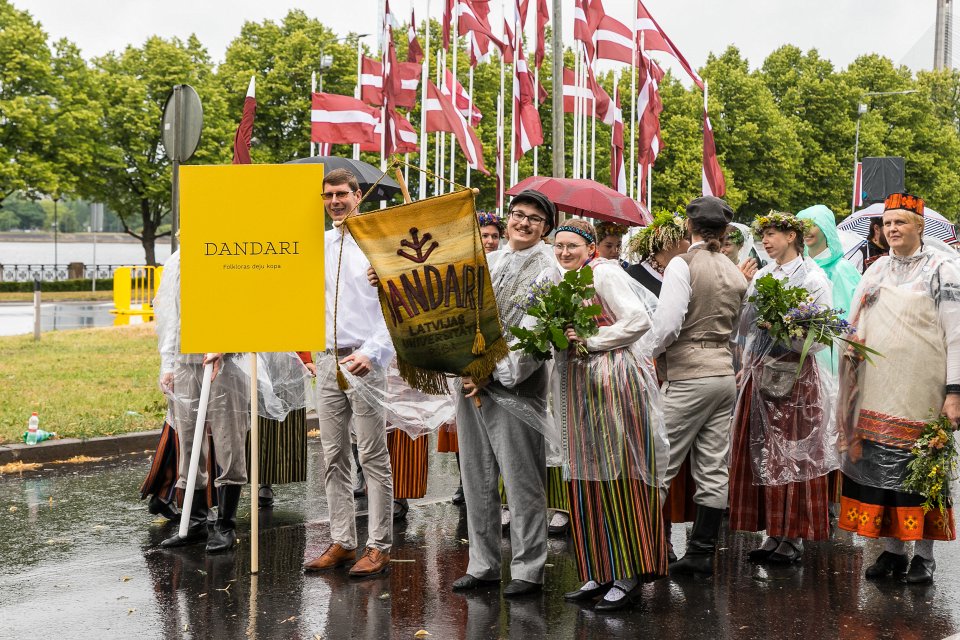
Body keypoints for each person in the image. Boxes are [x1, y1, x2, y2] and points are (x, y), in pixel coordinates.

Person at [540, 219, 668, 611]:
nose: (564, 252)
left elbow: (638, 320)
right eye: (559, 246)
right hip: (579, 386)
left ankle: (628, 571)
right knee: (586, 472)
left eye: (572, 246)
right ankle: (599, 566)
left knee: (618, 471)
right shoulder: (565, 280)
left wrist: (593, 341)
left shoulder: (603, 274)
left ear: (590, 247)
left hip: (614, 382)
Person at [838, 192, 959, 584]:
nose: (892, 230)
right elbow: (853, 321)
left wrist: (954, 392)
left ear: (919, 227)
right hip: (876, 390)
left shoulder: (944, 269)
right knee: (877, 468)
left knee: (921, 470)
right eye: (887, 224)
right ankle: (892, 551)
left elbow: (956, 334)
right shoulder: (875, 271)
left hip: (921, 391)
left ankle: (923, 557)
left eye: (901, 223)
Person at [453, 189, 556, 597]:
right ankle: (483, 564)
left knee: (521, 479)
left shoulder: (549, 271)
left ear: (545, 228)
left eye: (534, 217)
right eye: (518, 214)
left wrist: (489, 371)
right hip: (467, 383)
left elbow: (533, 336)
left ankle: (529, 568)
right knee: (476, 475)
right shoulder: (487, 262)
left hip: (515, 387)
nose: (523, 222)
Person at [638, 196, 747, 576]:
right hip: (721, 372)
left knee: (657, 464)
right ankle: (700, 554)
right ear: (726, 231)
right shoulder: (735, 272)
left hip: (689, 374)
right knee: (713, 467)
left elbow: (668, 323)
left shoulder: (682, 265)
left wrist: (646, 353)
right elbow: (736, 329)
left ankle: (643, 551)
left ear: (689, 226)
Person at [728, 211, 837, 565]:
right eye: (764, 235)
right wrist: (744, 363)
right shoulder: (763, 274)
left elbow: (821, 337)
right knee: (763, 453)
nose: (766, 241)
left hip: (795, 378)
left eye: (772, 233)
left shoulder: (813, 277)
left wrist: (785, 331)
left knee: (793, 455)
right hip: (759, 374)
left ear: (792, 236)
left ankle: (792, 537)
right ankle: (772, 531)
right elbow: (745, 327)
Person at [304, 168, 395, 577]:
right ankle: (343, 540)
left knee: (372, 455)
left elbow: (396, 311)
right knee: (333, 455)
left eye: (342, 193)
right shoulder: (318, 245)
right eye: (328, 195)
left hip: (364, 360)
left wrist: (372, 353)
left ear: (359, 196)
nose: (335, 201)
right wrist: (303, 352)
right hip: (326, 360)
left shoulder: (379, 244)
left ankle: (380, 545)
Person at [156, 248, 251, 554]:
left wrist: (228, 341)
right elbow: (170, 315)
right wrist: (167, 364)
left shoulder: (232, 252)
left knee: (228, 441)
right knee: (188, 444)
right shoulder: (178, 260)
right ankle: (195, 521)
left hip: (227, 361)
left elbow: (250, 305)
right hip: (186, 360)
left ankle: (225, 525)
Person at [625, 211, 691, 297]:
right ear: (668, 243)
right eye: (687, 239)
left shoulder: (681, 276)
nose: (691, 244)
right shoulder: (632, 275)